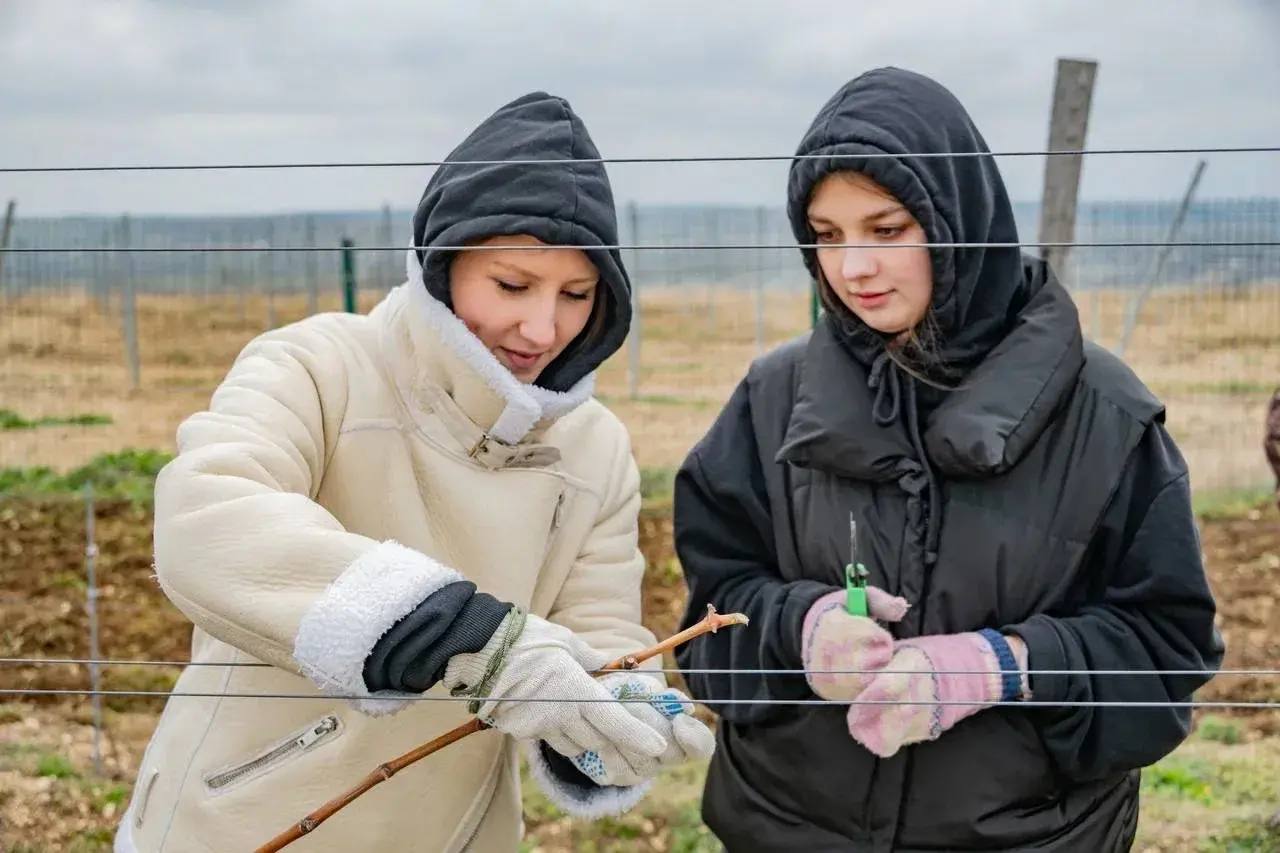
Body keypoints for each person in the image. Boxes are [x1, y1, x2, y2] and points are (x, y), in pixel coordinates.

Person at [115, 91, 713, 853]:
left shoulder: (595, 447)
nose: (542, 328)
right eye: (511, 284)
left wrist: (609, 721)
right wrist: (478, 643)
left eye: (576, 294)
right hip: (243, 827)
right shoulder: (319, 365)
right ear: (445, 260)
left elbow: (600, 635)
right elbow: (209, 520)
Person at [673, 67, 1223, 851]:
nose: (852, 268)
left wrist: (1007, 664)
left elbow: (1164, 655)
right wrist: (799, 628)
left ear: (959, 216)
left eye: (887, 228)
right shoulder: (772, 395)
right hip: (784, 827)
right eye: (827, 237)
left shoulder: (1107, 413)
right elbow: (706, 621)